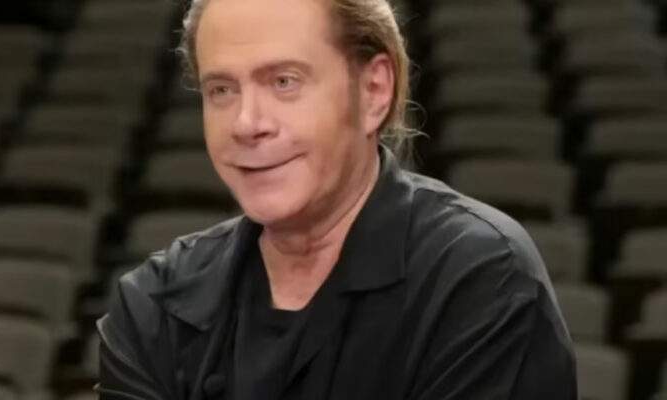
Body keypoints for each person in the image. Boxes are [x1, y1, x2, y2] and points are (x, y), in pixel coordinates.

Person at [96, 0, 578, 398]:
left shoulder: (482, 278)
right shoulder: (154, 302)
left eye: (284, 81)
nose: (246, 123)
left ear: (373, 91)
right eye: (221, 89)